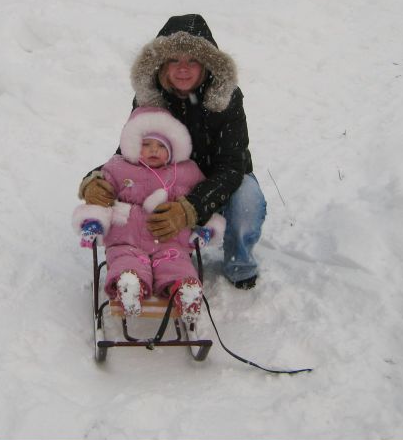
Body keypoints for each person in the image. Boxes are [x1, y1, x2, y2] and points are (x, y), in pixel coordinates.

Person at [78, 14, 265, 289]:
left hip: (220, 177)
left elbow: (231, 166)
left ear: (206, 64)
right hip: (172, 178)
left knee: (248, 198)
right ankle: (153, 253)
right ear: (163, 64)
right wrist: (94, 180)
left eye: (192, 60)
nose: (183, 69)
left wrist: (192, 208)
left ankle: (239, 264)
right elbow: (130, 151)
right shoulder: (152, 97)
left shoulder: (227, 98)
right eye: (174, 60)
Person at [73, 107, 225, 321]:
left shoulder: (187, 172)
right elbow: (102, 198)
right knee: (125, 261)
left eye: (161, 146)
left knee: (177, 264)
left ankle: (183, 290)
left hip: (170, 241)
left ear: (173, 148)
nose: (154, 150)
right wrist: (93, 221)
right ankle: (129, 285)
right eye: (146, 144)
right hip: (127, 239)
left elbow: (202, 202)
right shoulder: (118, 168)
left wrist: (206, 227)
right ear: (134, 145)